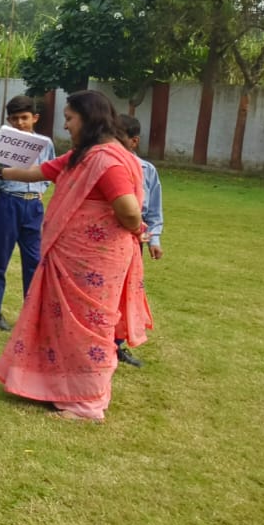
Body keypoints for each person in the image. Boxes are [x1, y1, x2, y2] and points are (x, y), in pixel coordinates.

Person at [0, 91, 146, 423]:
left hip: (93, 263)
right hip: (72, 259)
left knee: (88, 328)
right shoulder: (85, 155)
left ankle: (87, 403)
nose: (66, 125)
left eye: (70, 118)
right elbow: (37, 172)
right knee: (65, 325)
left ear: (88, 118)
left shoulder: (105, 160)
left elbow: (128, 209)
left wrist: (136, 227)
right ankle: (59, 390)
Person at [0, 95, 53, 331]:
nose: (20, 123)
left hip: (33, 206)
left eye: (24, 118)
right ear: (9, 121)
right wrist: (6, 187)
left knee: (34, 259)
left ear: (35, 118)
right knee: (0, 255)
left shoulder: (45, 143)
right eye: (15, 119)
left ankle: (31, 310)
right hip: (8, 203)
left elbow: (50, 171)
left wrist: (40, 188)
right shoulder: (4, 143)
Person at [116, 114, 162, 368]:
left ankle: (117, 344)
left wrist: (154, 239)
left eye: (119, 137)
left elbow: (154, 211)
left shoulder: (147, 171)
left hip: (135, 239)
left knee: (126, 293)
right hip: (106, 239)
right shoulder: (103, 164)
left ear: (134, 141)